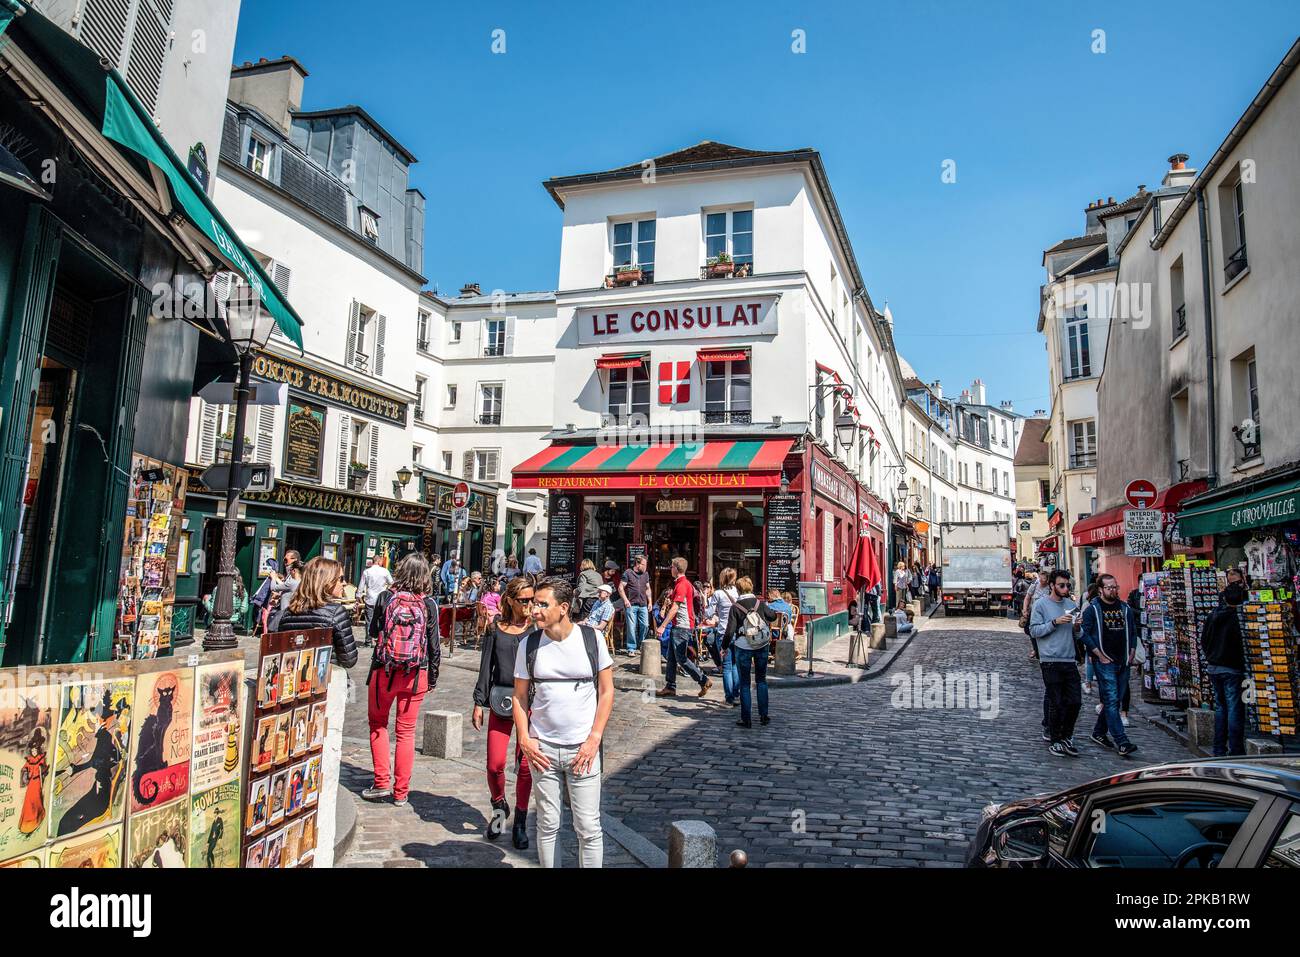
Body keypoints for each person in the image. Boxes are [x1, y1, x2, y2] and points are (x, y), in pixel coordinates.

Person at [512, 577, 614, 868]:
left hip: (582, 750)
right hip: (542, 750)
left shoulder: (590, 640)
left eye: (543, 604)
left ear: (563, 608)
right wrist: (525, 738)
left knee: (588, 827)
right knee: (547, 824)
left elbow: (607, 691)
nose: (534, 610)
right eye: (534, 604)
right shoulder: (529, 645)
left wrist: (594, 739)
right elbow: (519, 697)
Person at [360, 553, 440, 806]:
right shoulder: (429, 604)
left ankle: (381, 782)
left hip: (384, 670)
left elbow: (373, 631)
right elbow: (434, 646)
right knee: (406, 733)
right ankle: (401, 792)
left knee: (378, 725)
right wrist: (433, 677)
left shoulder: (386, 598)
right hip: (416, 674)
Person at [473, 576, 536, 848]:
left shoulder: (536, 630)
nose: (529, 605)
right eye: (524, 600)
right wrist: (479, 701)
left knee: (524, 765)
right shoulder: (495, 628)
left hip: (530, 704)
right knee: (494, 764)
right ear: (510, 600)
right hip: (501, 698)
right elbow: (486, 666)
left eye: (532, 600)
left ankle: (520, 821)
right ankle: (499, 807)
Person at [1079, 573, 1139, 757]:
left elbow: (1132, 630)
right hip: (1104, 662)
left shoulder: (1124, 608)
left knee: (1116, 700)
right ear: (1100, 589)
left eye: (1115, 587)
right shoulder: (1092, 609)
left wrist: (1132, 650)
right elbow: (1084, 634)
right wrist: (1098, 654)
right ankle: (1122, 741)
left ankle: (1098, 732)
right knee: (1112, 701)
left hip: (1123, 660)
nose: (1113, 590)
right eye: (1109, 587)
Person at [1029, 569, 1082, 758]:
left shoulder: (1071, 604)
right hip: (1050, 660)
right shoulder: (1041, 605)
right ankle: (1055, 739)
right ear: (1052, 585)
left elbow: (1078, 635)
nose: (1066, 588)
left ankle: (1067, 735)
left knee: (1075, 701)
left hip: (1069, 659)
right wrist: (1054, 622)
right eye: (1062, 585)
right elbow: (1034, 630)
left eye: (1068, 585)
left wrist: (1077, 627)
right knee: (1056, 702)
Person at [276, 557, 360, 672]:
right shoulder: (336, 613)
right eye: (341, 579)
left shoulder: (288, 613)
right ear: (327, 581)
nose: (344, 583)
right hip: (326, 679)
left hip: (295, 679)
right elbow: (349, 659)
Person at [722, 576, 782, 728]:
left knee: (745, 683)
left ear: (738, 589)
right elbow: (773, 616)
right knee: (761, 680)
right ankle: (763, 716)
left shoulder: (736, 607)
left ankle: (746, 718)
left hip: (743, 646)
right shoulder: (759, 603)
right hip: (761, 645)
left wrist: (724, 647)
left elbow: (729, 631)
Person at [1200, 582, 1248, 756]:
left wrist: (1211, 656)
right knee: (1235, 709)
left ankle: (1219, 748)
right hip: (1232, 668)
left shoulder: (1213, 615)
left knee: (1221, 708)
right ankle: (1236, 749)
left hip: (1214, 667)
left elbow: (1204, 640)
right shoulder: (1238, 618)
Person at [655, 557, 712, 698]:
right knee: (672, 658)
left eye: (672, 567)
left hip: (682, 625)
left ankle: (703, 680)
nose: (670, 569)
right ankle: (670, 686)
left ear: (676, 568)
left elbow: (675, 608)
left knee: (681, 658)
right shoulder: (683, 584)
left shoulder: (682, 584)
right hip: (679, 625)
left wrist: (662, 626)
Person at [705, 567, 740, 706]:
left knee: (726, 667)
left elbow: (708, 613)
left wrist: (704, 599)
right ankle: (736, 695)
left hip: (723, 633)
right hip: (737, 632)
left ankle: (729, 698)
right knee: (735, 665)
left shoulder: (718, 594)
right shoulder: (738, 592)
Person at [619, 554, 650, 657]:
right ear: (637, 564)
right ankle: (631, 648)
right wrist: (625, 600)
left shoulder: (645, 574)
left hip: (643, 604)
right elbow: (620, 588)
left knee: (645, 625)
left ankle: (641, 645)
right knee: (631, 627)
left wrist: (650, 601)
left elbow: (648, 588)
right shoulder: (628, 573)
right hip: (631, 604)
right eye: (644, 565)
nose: (645, 567)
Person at [360, 556, 394, 644]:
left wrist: (358, 596)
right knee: (382, 619)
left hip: (370, 598)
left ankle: (368, 640)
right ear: (379, 561)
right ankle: (379, 639)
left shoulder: (367, 572)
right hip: (382, 600)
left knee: (369, 620)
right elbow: (392, 583)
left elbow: (361, 585)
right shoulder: (385, 571)